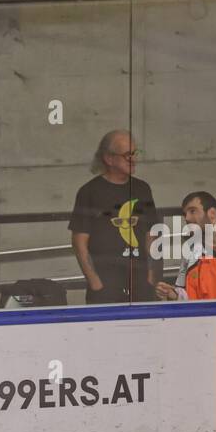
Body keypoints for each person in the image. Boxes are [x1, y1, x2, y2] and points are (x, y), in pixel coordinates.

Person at [70, 129, 159, 304]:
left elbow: (152, 235)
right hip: (105, 285)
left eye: (135, 153)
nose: (134, 159)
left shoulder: (142, 189)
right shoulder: (89, 192)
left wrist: (150, 277)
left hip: (140, 283)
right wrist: (96, 284)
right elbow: (79, 243)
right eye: (128, 155)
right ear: (109, 158)